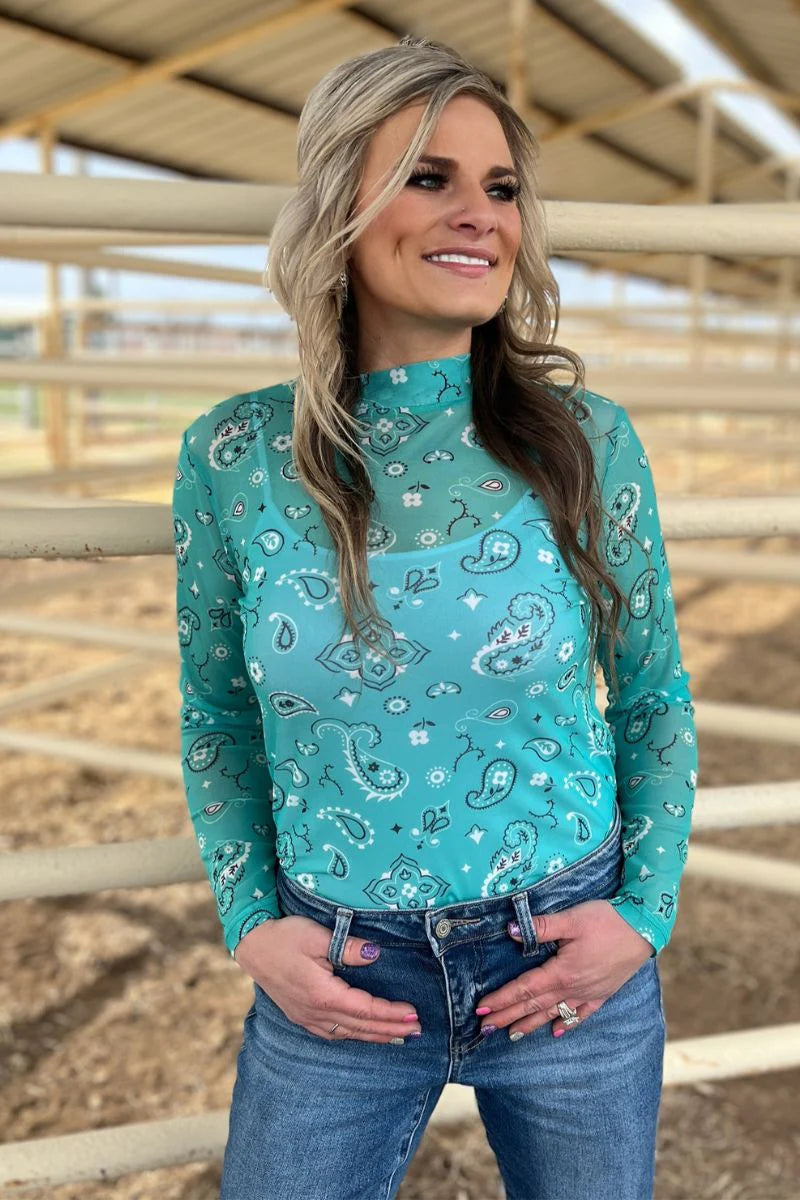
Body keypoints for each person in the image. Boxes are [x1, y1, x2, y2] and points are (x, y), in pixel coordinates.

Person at [172, 34, 697, 1200]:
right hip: (338, 976)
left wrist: (640, 915)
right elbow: (216, 713)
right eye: (427, 176)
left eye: (499, 188)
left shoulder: (580, 441)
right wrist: (251, 923)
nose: (478, 215)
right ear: (336, 209)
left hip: (561, 961)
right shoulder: (234, 455)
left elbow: (652, 694)